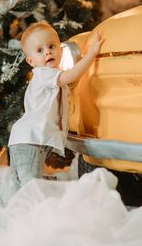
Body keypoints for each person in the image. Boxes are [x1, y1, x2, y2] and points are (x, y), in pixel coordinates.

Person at [8, 21, 105, 186]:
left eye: (51, 46)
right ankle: (30, 209)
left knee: (23, 183)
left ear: (60, 50)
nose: (47, 52)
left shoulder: (51, 76)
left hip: (30, 138)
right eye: (40, 50)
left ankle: (21, 207)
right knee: (30, 186)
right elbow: (72, 75)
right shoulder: (43, 74)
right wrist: (92, 54)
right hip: (29, 139)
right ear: (31, 61)